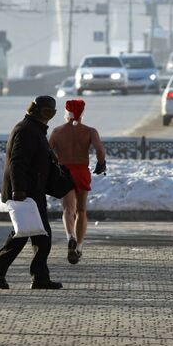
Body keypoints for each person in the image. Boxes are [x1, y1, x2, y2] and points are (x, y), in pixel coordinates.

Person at [0, 95, 63, 290]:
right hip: (25, 192)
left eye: (51, 113)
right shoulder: (26, 130)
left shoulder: (35, 129)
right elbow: (17, 162)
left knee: (37, 235)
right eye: (46, 112)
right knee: (29, 235)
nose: (48, 117)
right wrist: (19, 190)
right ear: (36, 110)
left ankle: (39, 277)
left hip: (32, 190)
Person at [49, 99, 106, 264]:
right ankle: (79, 247)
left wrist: (54, 164)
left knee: (68, 209)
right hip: (81, 171)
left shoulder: (57, 131)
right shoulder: (90, 131)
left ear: (67, 112)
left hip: (64, 171)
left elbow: (47, 151)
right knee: (81, 210)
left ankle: (70, 237)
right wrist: (101, 163)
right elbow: (100, 150)